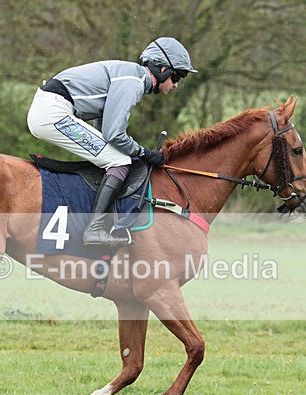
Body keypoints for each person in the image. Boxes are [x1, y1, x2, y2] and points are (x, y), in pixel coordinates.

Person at [27, 37, 197, 247]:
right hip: (52, 112)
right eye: (177, 76)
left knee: (115, 157)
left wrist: (129, 150)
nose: (177, 84)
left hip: (51, 109)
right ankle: (95, 230)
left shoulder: (131, 76)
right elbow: (114, 133)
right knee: (120, 161)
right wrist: (143, 152)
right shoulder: (133, 82)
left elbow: (103, 126)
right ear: (162, 69)